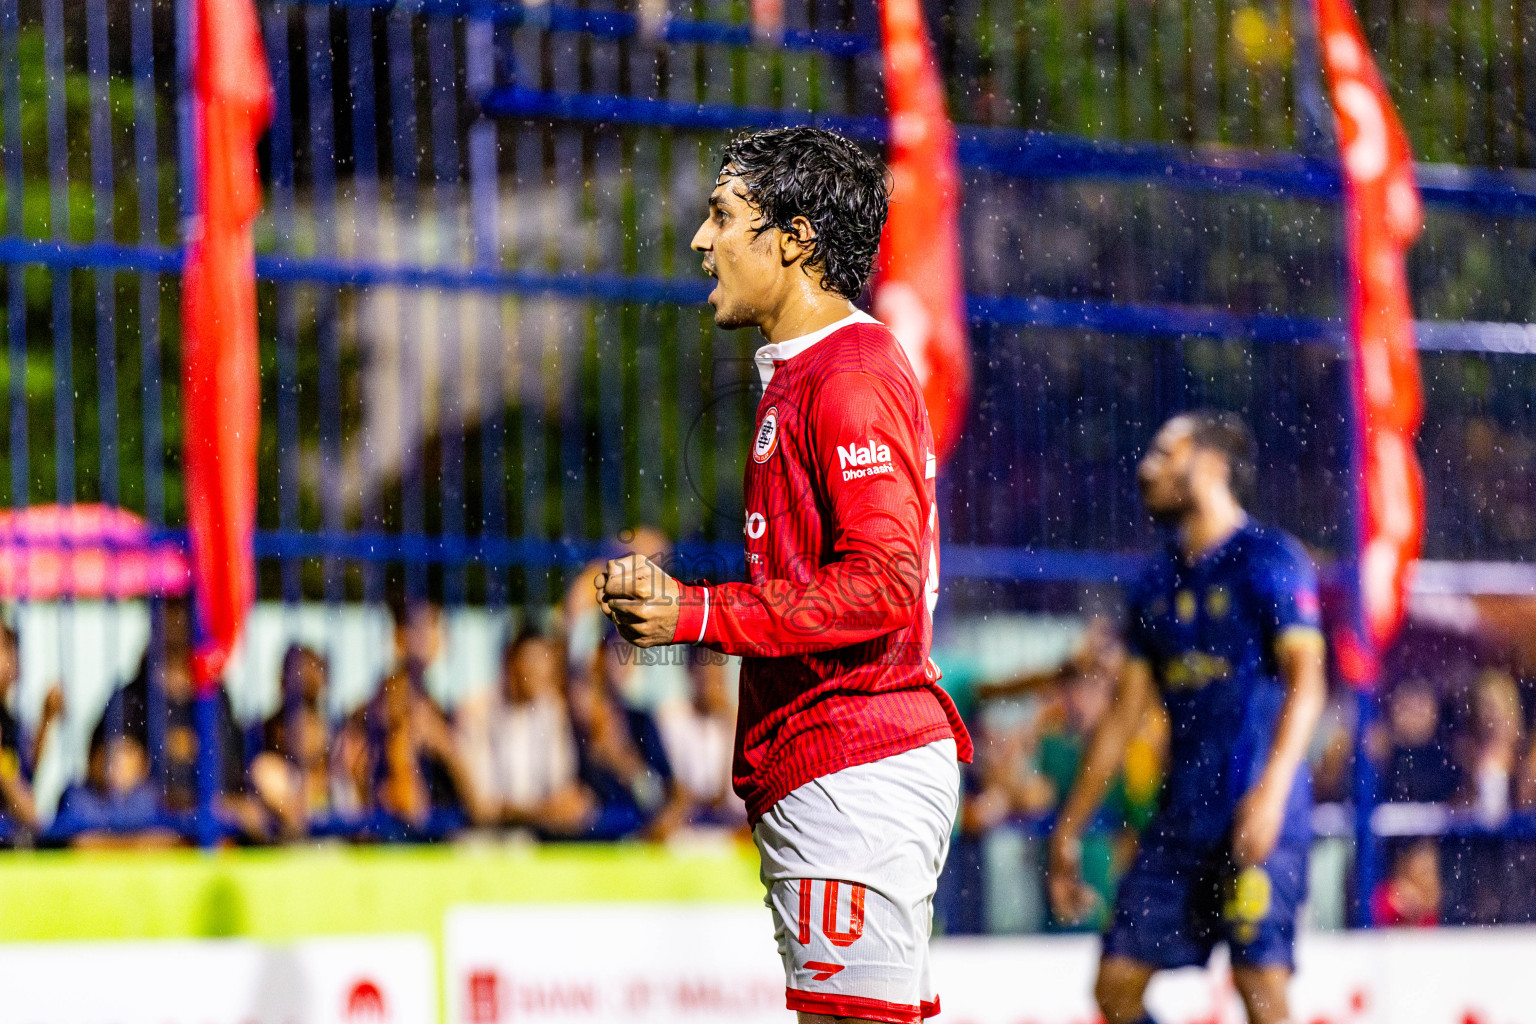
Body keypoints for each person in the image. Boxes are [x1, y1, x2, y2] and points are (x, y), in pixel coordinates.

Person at [598, 126, 972, 1024]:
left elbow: (883, 584)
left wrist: (693, 614)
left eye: (723, 216)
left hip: (854, 764)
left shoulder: (844, 376)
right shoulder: (810, 375)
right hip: (838, 766)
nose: (701, 240)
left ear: (794, 239)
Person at [1046, 412, 1327, 1024]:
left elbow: (1309, 684)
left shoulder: (1270, 560)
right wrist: (1068, 829)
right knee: (1115, 987)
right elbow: (1122, 718)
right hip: (1183, 819)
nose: (1146, 469)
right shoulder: (1155, 582)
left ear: (1213, 465)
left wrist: (1272, 794)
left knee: (1262, 990)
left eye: (1165, 452)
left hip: (1258, 809)